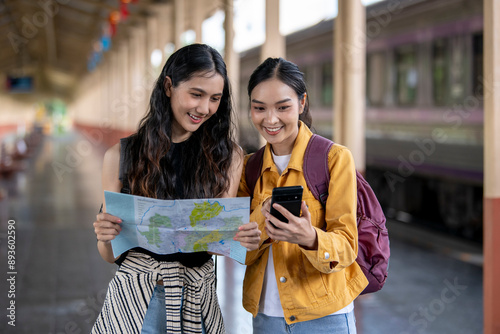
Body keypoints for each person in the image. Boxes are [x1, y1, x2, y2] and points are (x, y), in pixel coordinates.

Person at [92, 43, 261, 334]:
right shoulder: (121, 156)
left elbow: (216, 244)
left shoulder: (228, 157)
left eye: (214, 99)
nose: (204, 108)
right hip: (137, 302)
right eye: (196, 94)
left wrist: (241, 237)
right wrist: (105, 237)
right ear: (169, 86)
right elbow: (110, 255)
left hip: (198, 299)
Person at [238, 57, 369, 333]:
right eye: (259, 108)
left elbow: (347, 246)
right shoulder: (249, 168)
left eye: (283, 107)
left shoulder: (334, 159)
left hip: (326, 318)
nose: (270, 119)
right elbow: (240, 251)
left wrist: (309, 238)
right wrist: (261, 222)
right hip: (266, 318)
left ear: (302, 103)